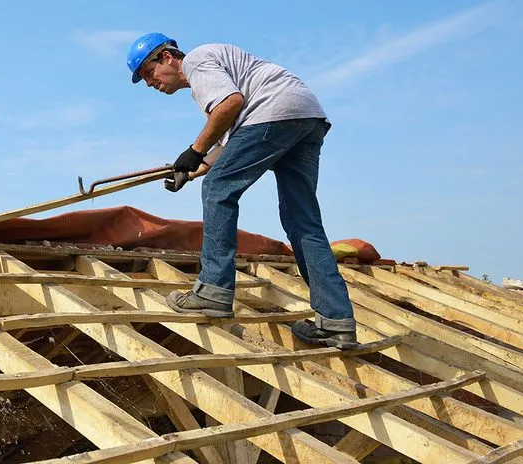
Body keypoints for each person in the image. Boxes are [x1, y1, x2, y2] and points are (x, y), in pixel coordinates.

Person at [126, 32, 359, 349]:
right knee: (301, 221)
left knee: (218, 189)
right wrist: (190, 170)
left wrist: (193, 150)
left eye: (148, 73)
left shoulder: (195, 61)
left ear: (166, 57)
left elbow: (231, 105)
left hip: (273, 112)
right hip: (305, 115)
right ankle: (336, 322)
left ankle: (213, 290)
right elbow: (228, 145)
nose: (151, 83)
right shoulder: (212, 76)